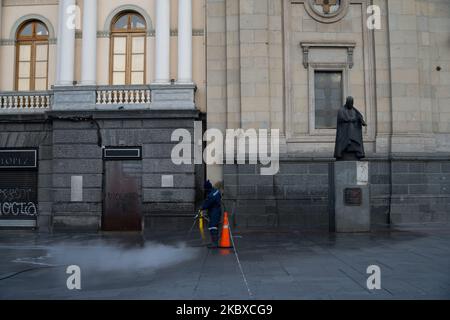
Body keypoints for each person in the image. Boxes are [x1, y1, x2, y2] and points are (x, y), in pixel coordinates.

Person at [334, 96, 367, 161]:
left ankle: (357, 152)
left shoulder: (354, 110)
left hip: (353, 132)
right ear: (347, 103)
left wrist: (360, 120)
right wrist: (351, 120)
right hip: (344, 132)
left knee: (354, 140)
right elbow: (341, 118)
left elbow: (359, 116)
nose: (351, 105)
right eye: (349, 103)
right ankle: (342, 151)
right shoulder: (341, 110)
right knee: (347, 140)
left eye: (352, 104)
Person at [201, 180, 222, 249]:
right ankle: (214, 242)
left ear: (207, 188)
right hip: (217, 210)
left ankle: (215, 243)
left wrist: (202, 208)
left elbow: (207, 204)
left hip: (214, 211)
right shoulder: (216, 191)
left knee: (212, 226)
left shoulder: (211, 195)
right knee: (215, 226)